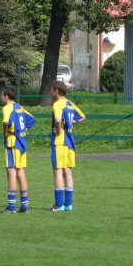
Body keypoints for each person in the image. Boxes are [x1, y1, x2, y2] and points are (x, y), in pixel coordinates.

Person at [0, 86, 36, 214]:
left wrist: (5, 133)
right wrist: (24, 130)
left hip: (12, 143)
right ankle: (24, 206)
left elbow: (5, 123)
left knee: (11, 173)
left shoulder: (7, 108)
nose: (0, 97)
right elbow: (31, 119)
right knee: (20, 173)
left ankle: (12, 206)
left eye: (1, 95)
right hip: (22, 142)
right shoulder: (19, 107)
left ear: (6, 96)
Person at [49, 80, 86, 212]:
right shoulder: (70, 104)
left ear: (57, 91)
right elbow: (82, 116)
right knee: (68, 172)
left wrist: (58, 130)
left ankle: (59, 205)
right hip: (70, 142)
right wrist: (72, 122)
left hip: (59, 142)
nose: (50, 92)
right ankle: (68, 204)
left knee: (58, 172)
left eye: (52, 89)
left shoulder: (57, 104)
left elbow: (58, 120)